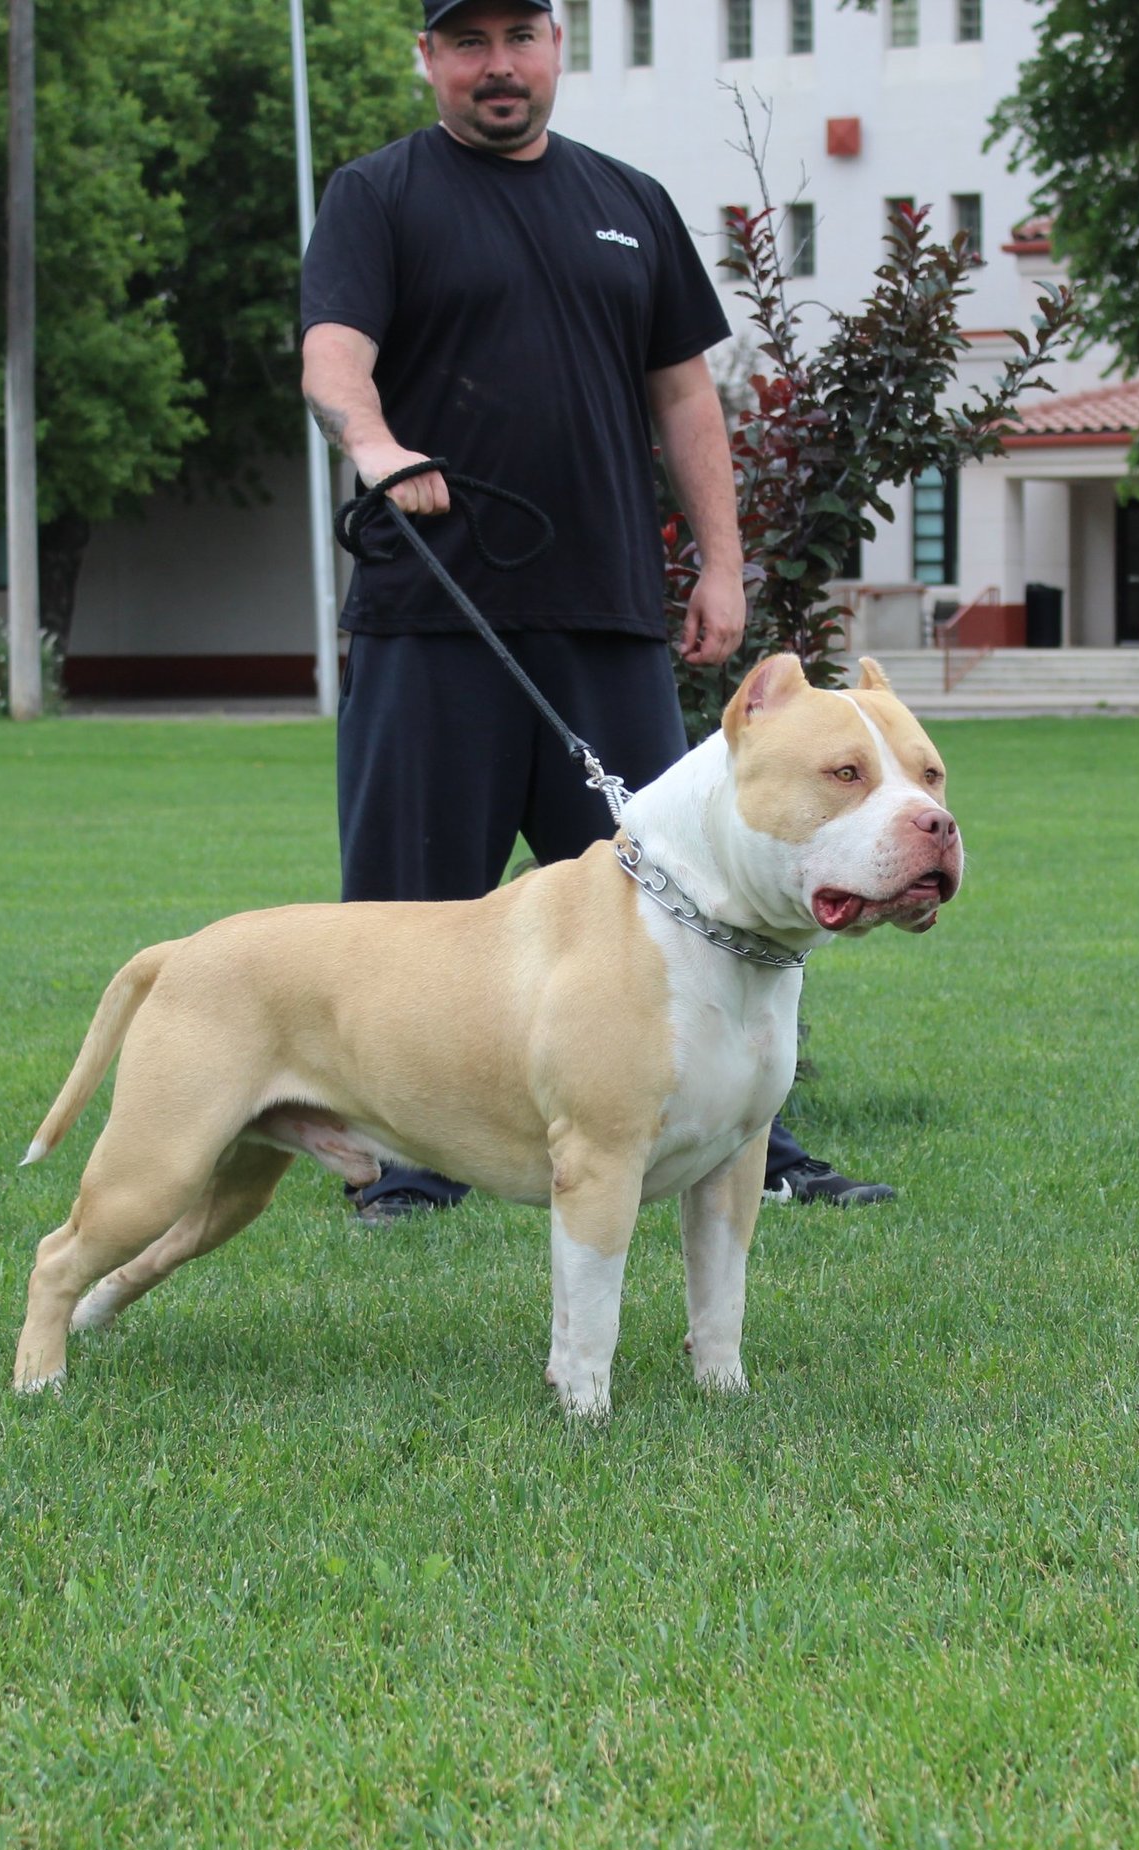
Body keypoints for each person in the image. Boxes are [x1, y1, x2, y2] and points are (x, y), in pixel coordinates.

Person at [297, 0, 894, 1223]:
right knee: (407, 912)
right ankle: (411, 1161)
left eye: (519, 35)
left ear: (557, 45)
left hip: (610, 613)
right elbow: (331, 358)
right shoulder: (378, 195)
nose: (496, 65)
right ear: (428, 59)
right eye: (467, 42)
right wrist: (375, 442)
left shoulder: (628, 201)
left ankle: (752, 1138)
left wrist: (720, 566)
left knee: (692, 891)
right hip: (432, 612)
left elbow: (685, 398)